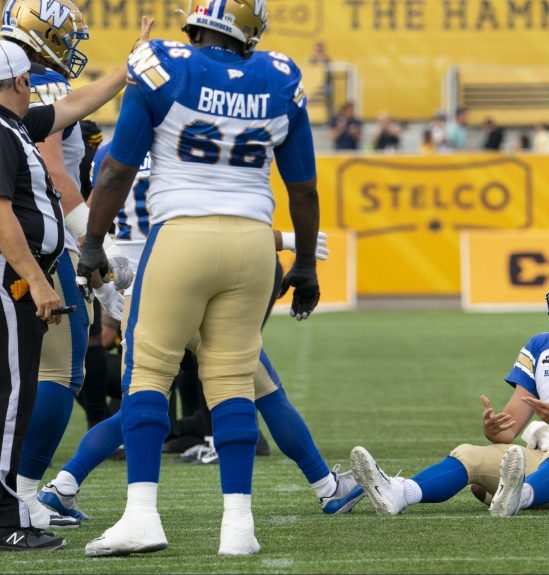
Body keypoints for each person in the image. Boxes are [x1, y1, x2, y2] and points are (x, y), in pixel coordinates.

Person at [77, 0, 322, 557]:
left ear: (195, 23)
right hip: (254, 242)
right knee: (234, 380)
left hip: (183, 234)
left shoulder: (164, 63)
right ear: (250, 33)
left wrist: (92, 243)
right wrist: (304, 263)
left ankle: (141, 515)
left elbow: (117, 168)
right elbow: (303, 189)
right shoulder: (281, 77)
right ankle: (238, 525)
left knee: (149, 372)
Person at [40, 145, 362, 527]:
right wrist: (288, 241)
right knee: (265, 391)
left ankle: (64, 485)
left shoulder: (114, 151)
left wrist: (107, 290)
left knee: (141, 404)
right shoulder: (186, 148)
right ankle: (325, 486)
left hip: (137, 293)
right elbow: (214, 227)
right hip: (187, 280)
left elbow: (88, 228)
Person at [350, 261, 549, 519]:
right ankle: (399, 493)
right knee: (470, 454)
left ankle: (519, 497)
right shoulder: (541, 347)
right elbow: (508, 433)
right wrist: (495, 428)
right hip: (545, 462)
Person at [0, 32, 146, 550]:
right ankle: (14, 506)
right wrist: (47, 275)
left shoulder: (16, 123)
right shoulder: (3, 128)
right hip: (19, 272)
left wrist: (127, 70)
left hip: (33, 266)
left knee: (28, 386)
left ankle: (18, 500)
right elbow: (7, 213)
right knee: (30, 389)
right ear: (19, 80)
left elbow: (72, 105)